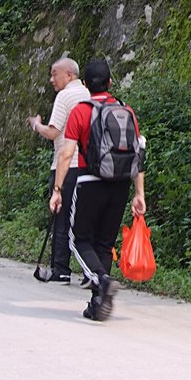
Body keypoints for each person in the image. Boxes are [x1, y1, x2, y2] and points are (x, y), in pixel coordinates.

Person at [49, 58, 146, 321]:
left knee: (79, 240)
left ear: (85, 85)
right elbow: (138, 153)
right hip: (120, 184)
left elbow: (66, 154)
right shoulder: (126, 110)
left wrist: (57, 190)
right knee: (104, 243)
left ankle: (101, 280)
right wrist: (139, 194)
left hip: (90, 182)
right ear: (110, 82)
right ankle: (97, 303)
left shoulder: (80, 111)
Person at [28, 55, 89, 282]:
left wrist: (37, 125)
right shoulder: (89, 94)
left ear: (69, 75)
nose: (51, 79)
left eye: (55, 74)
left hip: (66, 165)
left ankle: (61, 269)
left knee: (61, 216)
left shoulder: (65, 96)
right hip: (88, 167)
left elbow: (53, 133)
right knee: (83, 219)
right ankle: (89, 272)